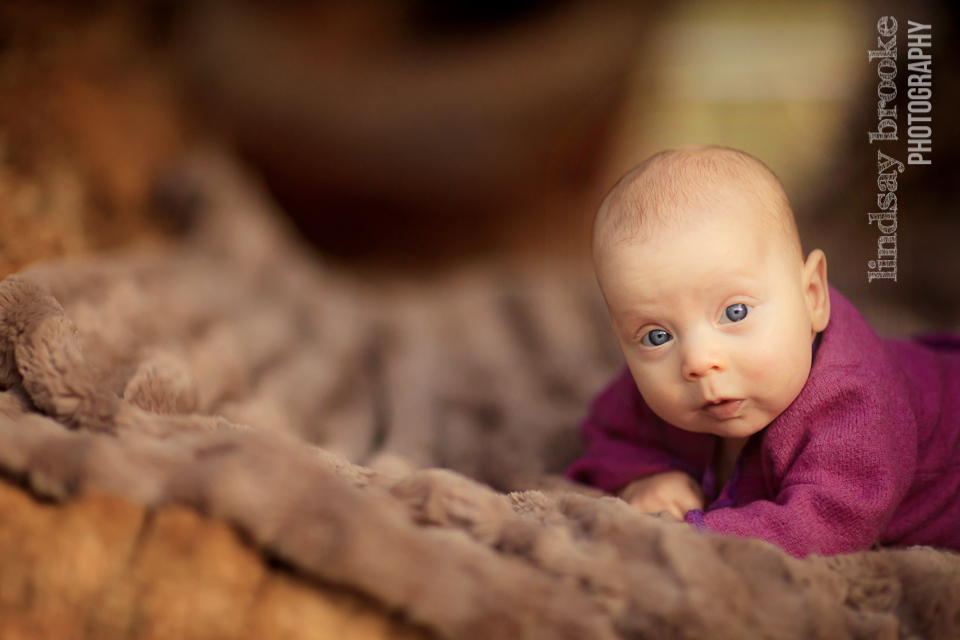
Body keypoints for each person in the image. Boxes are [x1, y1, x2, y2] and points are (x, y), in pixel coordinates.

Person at [566, 146, 960, 558]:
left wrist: (688, 537)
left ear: (812, 297)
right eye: (656, 336)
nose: (698, 361)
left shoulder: (857, 407)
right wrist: (644, 477)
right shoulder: (663, 387)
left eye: (735, 313)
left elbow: (823, 528)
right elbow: (607, 433)